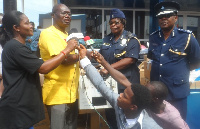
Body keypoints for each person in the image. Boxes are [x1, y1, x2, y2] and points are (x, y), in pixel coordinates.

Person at [0, 10, 78, 129]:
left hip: (22, 108)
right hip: (17, 111)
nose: (31, 25)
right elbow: (43, 68)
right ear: (16, 28)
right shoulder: (16, 48)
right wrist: (67, 50)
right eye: (27, 23)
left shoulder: (18, 47)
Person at [78, 44, 162, 129]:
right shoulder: (119, 105)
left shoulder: (150, 126)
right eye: (123, 93)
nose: (119, 95)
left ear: (133, 107)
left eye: (124, 96)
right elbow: (100, 84)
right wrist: (84, 60)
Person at [148, 1, 200, 120]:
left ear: (175, 18)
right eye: (161, 16)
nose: (164, 19)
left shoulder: (187, 37)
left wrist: (181, 71)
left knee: (178, 123)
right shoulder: (154, 37)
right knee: (157, 123)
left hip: (177, 92)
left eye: (168, 15)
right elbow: (153, 58)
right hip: (157, 92)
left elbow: (196, 61)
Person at [38, 4, 80, 129]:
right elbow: (65, 59)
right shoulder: (49, 33)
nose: (67, 16)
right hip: (57, 94)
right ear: (53, 15)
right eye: (63, 13)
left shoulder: (66, 35)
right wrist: (82, 56)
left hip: (71, 93)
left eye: (69, 14)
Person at [99, 8, 141, 128]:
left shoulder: (131, 39)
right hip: (110, 85)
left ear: (123, 23)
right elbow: (102, 57)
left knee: (126, 117)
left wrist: (108, 68)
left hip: (126, 86)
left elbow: (130, 59)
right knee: (111, 114)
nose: (113, 25)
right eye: (111, 23)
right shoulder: (106, 39)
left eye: (116, 22)